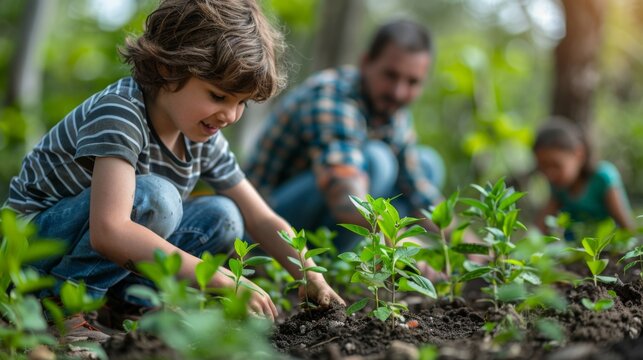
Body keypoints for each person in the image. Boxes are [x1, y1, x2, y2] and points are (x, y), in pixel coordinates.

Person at [4, 0, 343, 342]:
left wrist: (309, 274)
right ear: (169, 69)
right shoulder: (121, 113)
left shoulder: (202, 135)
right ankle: (54, 310)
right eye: (218, 95)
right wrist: (223, 281)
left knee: (223, 214)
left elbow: (260, 218)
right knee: (157, 198)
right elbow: (109, 231)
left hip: (83, 251)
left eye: (241, 102)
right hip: (27, 255)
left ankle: (126, 305)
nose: (230, 115)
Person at [244, 20, 446, 252]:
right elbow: (345, 193)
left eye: (412, 82)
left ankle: (359, 255)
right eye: (390, 75)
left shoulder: (394, 113)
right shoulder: (331, 94)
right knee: (378, 161)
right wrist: (403, 242)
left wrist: (471, 245)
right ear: (366, 63)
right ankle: (329, 261)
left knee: (428, 164)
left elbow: (419, 194)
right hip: (263, 222)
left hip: (320, 216)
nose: (398, 92)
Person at [533, 117, 635, 236]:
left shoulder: (602, 178)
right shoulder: (558, 187)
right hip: (573, 251)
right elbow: (540, 227)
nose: (550, 174)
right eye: (543, 167)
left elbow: (627, 227)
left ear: (578, 154)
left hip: (604, 250)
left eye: (556, 165)